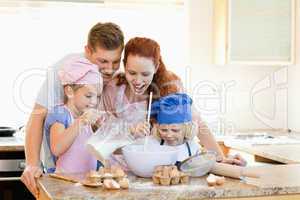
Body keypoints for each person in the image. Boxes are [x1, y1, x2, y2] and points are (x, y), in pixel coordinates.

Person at [99, 37, 246, 168]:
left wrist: (220, 158)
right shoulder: (114, 88)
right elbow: (101, 130)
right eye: (132, 73)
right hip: (118, 168)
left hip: (161, 168)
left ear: (156, 68)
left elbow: (198, 124)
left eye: (145, 74)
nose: (138, 81)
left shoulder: (171, 86)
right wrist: (130, 129)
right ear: (125, 66)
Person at [21, 22, 124, 197]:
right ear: (88, 51)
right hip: (60, 171)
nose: (109, 69)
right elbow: (38, 115)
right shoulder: (66, 70)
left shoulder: (117, 78)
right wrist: (32, 164)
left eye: (116, 62)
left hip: (91, 172)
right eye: (103, 61)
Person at [44, 57, 102, 173]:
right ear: (70, 91)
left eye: (98, 96)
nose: (94, 102)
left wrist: (102, 129)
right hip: (64, 183)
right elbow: (56, 148)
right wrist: (81, 122)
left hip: (87, 182)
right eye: (88, 96)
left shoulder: (88, 119)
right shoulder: (61, 115)